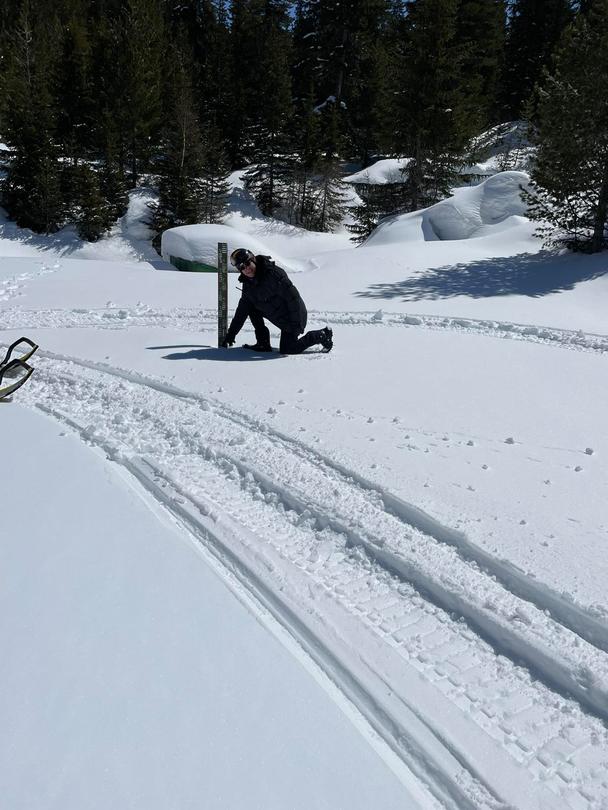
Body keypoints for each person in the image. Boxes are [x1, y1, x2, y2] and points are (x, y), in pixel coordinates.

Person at [220, 249, 333, 354]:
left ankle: (321, 335)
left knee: (288, 349)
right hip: (277, 314)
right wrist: (231, 335)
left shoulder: (273, 274)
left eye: (248, 263)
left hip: (294, 316)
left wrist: (295, 324)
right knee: (251, 307)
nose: (246, 269)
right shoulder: (248, 284)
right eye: (242, 267)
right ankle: (263, 343)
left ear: (253, 260)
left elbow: (293, 298)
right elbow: (242, 311)